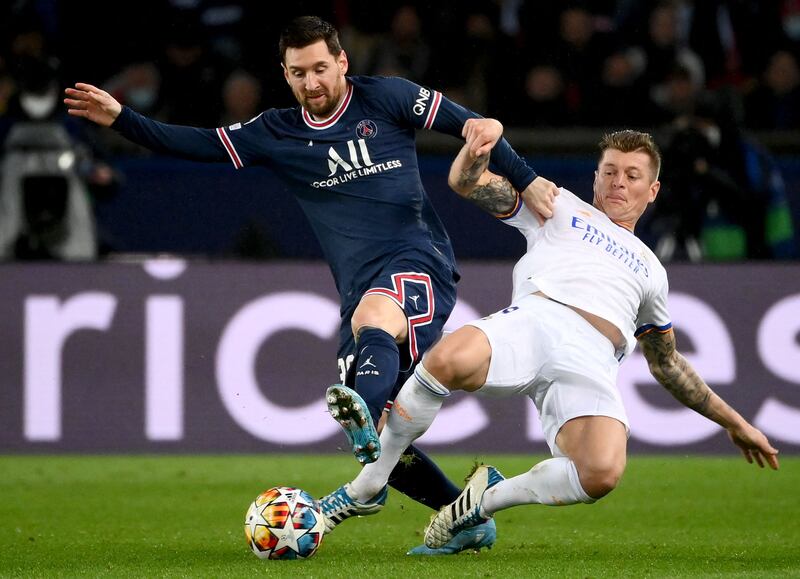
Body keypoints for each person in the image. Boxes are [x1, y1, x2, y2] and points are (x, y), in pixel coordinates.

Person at [63, 15, 557, 554]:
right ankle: (464, 514)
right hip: (358, 286)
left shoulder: (388, 97)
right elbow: (199, 143)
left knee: (376, 321)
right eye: (299, 73)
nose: (312, 82)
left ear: (342, 61)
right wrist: (122, 119)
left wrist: (527, 181)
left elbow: (476, 126)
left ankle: (363, 414)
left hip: (419, 261)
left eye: (321, 68)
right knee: (382, 444)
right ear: (285, 74)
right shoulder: (277, 132)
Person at [317, 127, 780, 551]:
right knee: (446, 360)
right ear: (595, 179)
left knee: (601, 474)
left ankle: (481, 502)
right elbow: (466, 184)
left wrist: (735, 423)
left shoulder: (652, 272)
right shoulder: (559, 207)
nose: (619, 182)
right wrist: (475, 154)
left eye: (633, 175)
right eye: (610, 171)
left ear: (652, 190)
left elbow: (667, 363)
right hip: (536, 321)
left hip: (594, 361)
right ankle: (364, 488)